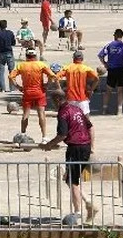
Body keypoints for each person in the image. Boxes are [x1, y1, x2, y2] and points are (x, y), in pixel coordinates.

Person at [39, 90, 97, 223]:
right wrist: (92, 147)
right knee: (69, 178)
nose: (52, 104)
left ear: (58, 100)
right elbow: (90, 127)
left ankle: (78, 212)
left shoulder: (63, 113)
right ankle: (88, 202)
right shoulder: (77, 109)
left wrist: (49, 145)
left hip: (75, 148)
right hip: (85, 146)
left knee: (73, 181)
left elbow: (62, 135)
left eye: (53, 101)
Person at [9, 49, 58, 142]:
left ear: (26, 56)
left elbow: (11, 76)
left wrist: (18, 86)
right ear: (35, 56)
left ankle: (23, 134)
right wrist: (47, 85)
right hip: (39, 92)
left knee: (25, 114)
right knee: (41, 114)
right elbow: (53, 76)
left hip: (27, 92)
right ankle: (44, 137)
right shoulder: (41, 65)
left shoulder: (21, 65)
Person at [97, 29, 123, 115]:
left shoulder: (109, 45)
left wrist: (105, 64)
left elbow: (100, 55)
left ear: (114, 35)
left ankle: (104, 108)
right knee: (120, 90)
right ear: (122, 36)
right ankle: (119, 110)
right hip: (122, 69)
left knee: (108, 89)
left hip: (112, 69)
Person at [56, 51, 99, 116]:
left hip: (70, 97)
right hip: (82, 97)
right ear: (82, 59)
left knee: (71, 118)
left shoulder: (68, 68)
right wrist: (91, 89)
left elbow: (56, 77)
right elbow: (96, 78)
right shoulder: (86, 68)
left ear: (73, 58)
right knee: (86, 117)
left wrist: (59, 89)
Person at [0, 20, 16, 92]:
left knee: (1, 72)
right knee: (11, 71)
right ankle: (12, 88)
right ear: (6, 25)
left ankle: (2, 88)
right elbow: (13, 43)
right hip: (9, 53)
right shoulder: (10, 33)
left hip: (0, 53)